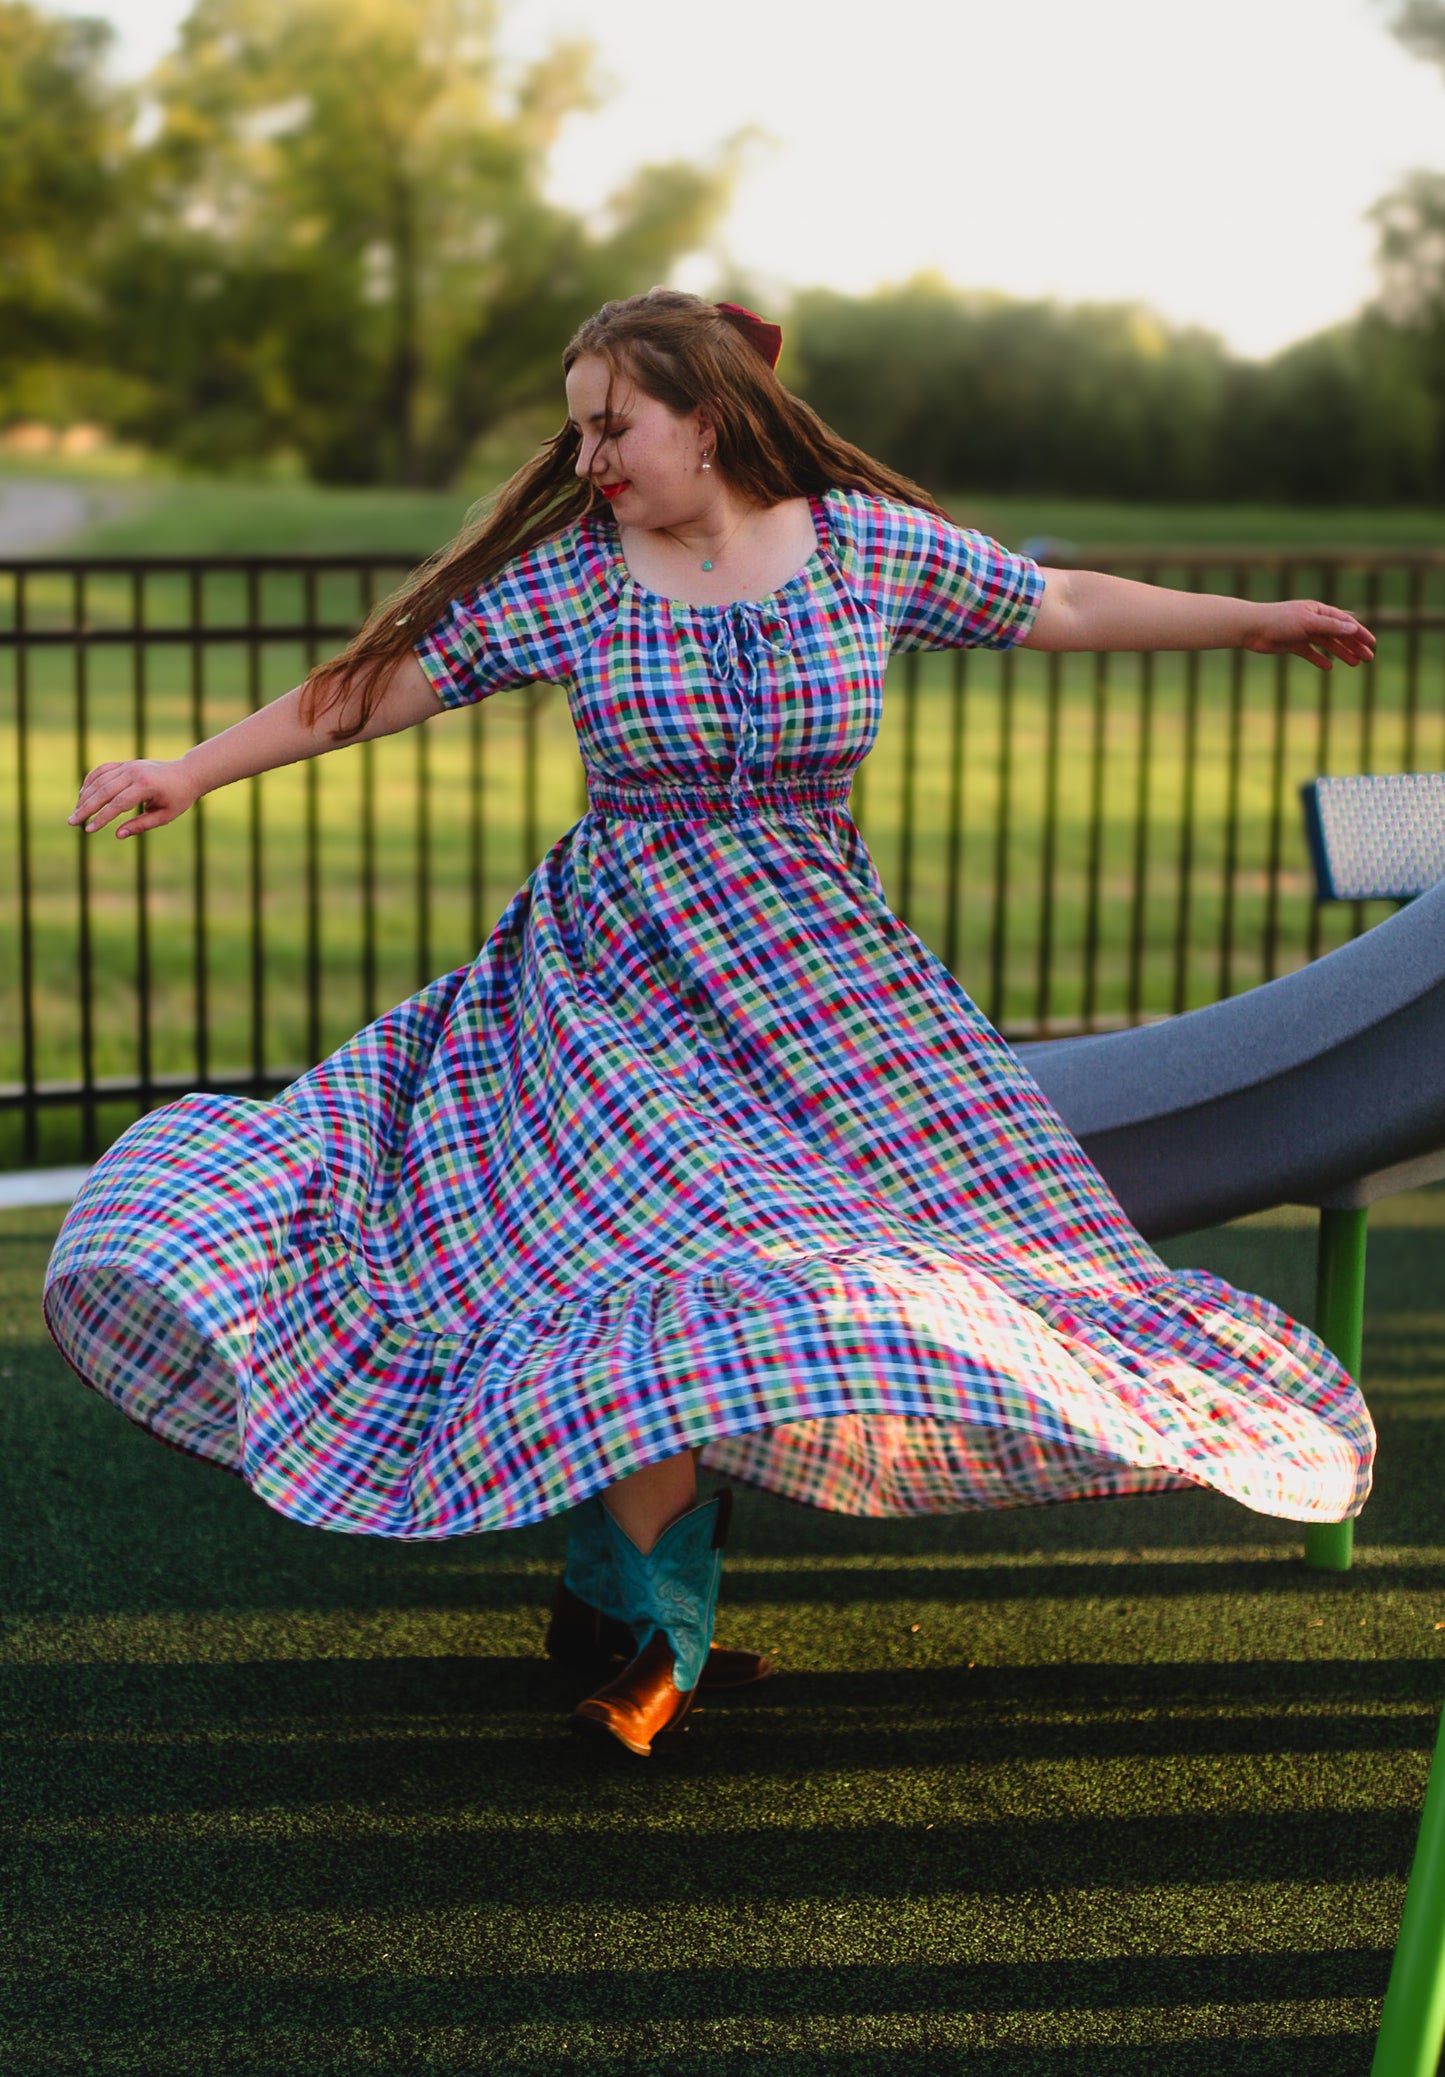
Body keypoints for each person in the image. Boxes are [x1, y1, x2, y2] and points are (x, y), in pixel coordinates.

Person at [46, 289, 1376, 1759]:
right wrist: (192, 765)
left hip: (821, 982)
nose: (589, 452)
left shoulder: (862, 545)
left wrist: (1255, 619)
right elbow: (366, 694)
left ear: (710, 412)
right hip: (615, 977)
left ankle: (611, 1593)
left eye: (614, 423)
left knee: (827, 1259)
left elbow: (1054, 602)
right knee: (657, 1248)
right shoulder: (576, 580)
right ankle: (660, 1631)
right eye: (577, 426)